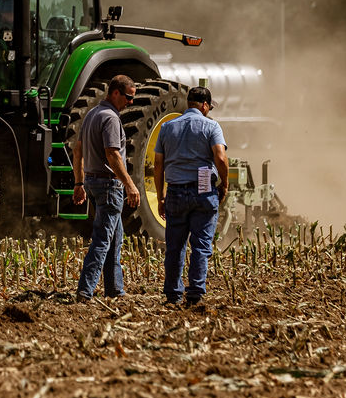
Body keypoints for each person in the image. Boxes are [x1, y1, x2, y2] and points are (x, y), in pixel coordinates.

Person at [153, 85, 228, 307]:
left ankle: (173, 294)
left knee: (175, 246)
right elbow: (221, 159)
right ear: (205, 105)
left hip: (175, 189)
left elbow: (158, 163)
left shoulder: (167, 127)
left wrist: (160, 196)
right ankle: (195, 293)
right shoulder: (211, 126)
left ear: (189, 104)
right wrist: (224, 184)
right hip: (203, 189)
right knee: (201, 245)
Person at [71, 75, 141, 302]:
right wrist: (130, 184)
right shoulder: (110, 118)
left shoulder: (91, 114)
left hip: (92, 182)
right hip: (108, 185)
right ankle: (85, 290)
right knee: (102, 239)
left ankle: (115, 290)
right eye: (128, 97)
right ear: (115, 93)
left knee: (115, 237)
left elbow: (77, 151)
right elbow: (113, 155)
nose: (131, 102)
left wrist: (79, 183)